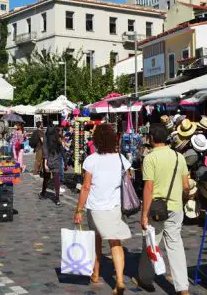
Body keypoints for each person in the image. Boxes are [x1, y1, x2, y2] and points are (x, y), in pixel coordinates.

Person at [74, 123, 131, 293]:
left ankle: (96, 273)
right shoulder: (121, 159)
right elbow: (127, 180)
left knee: (96, 240)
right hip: (115, 207)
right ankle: (119, 280)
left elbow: (85, 187)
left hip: (96, 207)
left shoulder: (91, 160)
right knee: (115, 242)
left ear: (96, 140)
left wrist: (78, 210)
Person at [140, 124, 190, 295]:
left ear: (152, 138)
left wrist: (144, 214)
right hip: (175, 207)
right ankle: (183, 288)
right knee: (176, 246)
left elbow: (148, 188)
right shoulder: (179, 157)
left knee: (151, 244)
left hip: (156, 210)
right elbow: (185, 186)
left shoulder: (150, 158)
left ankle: (146, 279)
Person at [40, 124, 63, 205]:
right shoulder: (57, 136)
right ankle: (57, 199)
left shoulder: (46, 136)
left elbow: (45, 149)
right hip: (56, 160)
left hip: (49, 160)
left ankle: (43, 193)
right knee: (56, 179)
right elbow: (61, 149)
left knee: (46, 178)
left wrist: (45, 162)